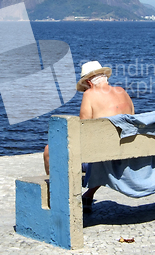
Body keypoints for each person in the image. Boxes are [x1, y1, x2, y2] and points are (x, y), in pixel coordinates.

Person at [43, 60, 134, 208]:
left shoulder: (90, 94)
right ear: (104, 76)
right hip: (124, 153)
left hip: (102, 158)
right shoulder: (122, 92)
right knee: (104, 152)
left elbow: (82, 131)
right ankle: (89, 193)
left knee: (49, 151)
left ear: (89, 83)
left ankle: (57, 197)